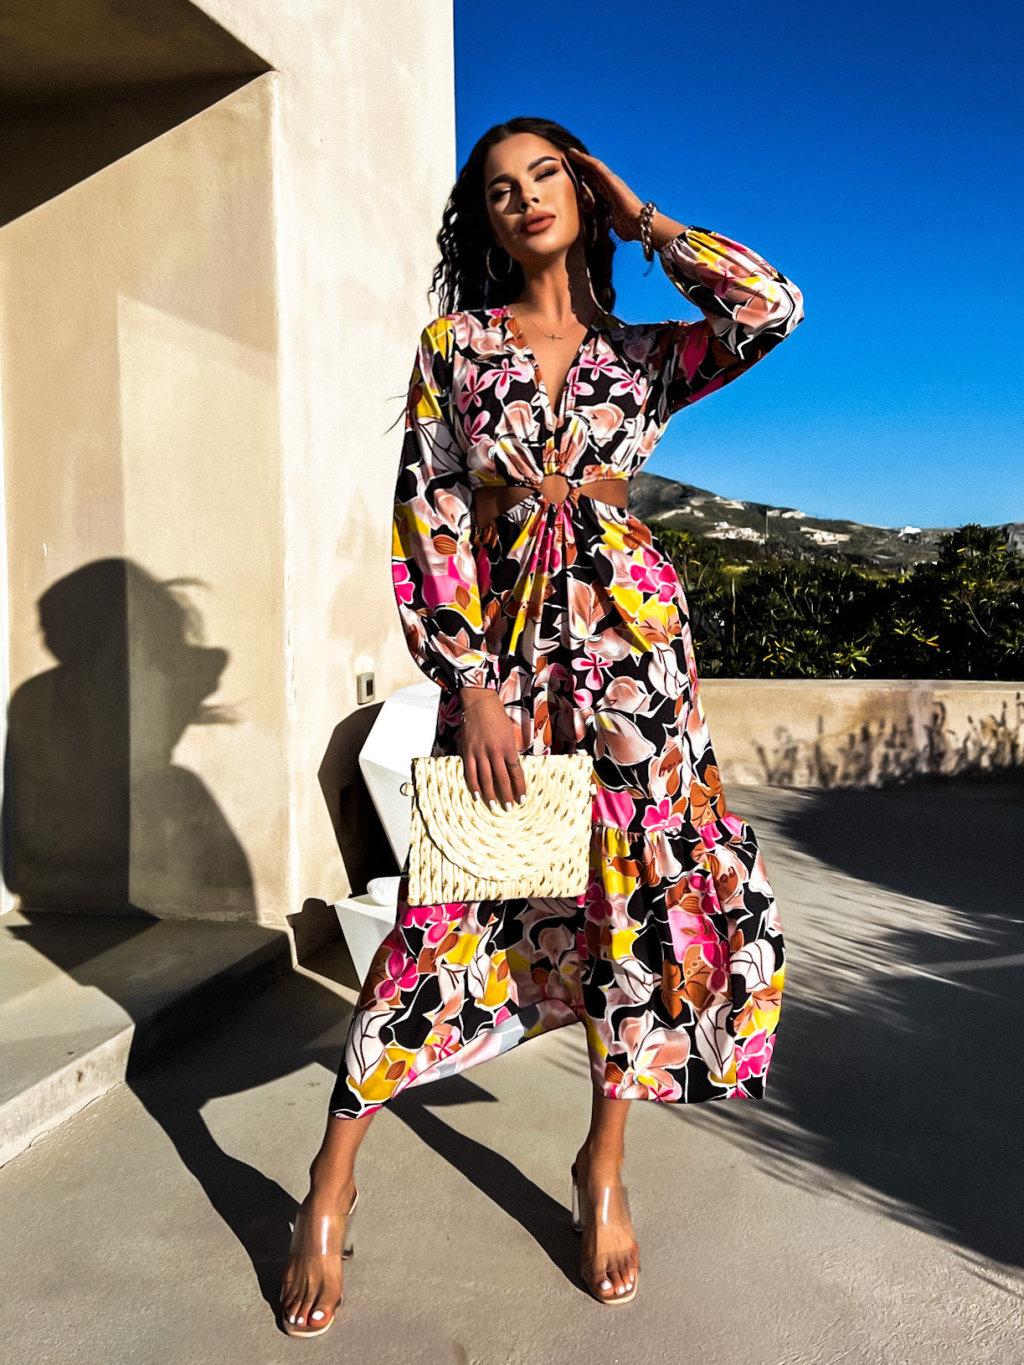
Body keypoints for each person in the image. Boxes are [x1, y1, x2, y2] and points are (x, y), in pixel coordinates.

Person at [280, 115, 803, 1336]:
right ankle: (331, 1174)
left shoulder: (645, 351)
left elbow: (771, 307)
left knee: (633, 907)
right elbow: (429, 513)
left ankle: (601, 1165)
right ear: (484, 222)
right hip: (509, 657)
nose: (524, 199)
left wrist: (647, 221)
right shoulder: (457, 346)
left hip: (636, 658)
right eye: (500, 189)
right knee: (451, 902)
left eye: (547, 175)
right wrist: (470, 684)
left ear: (583, 189)